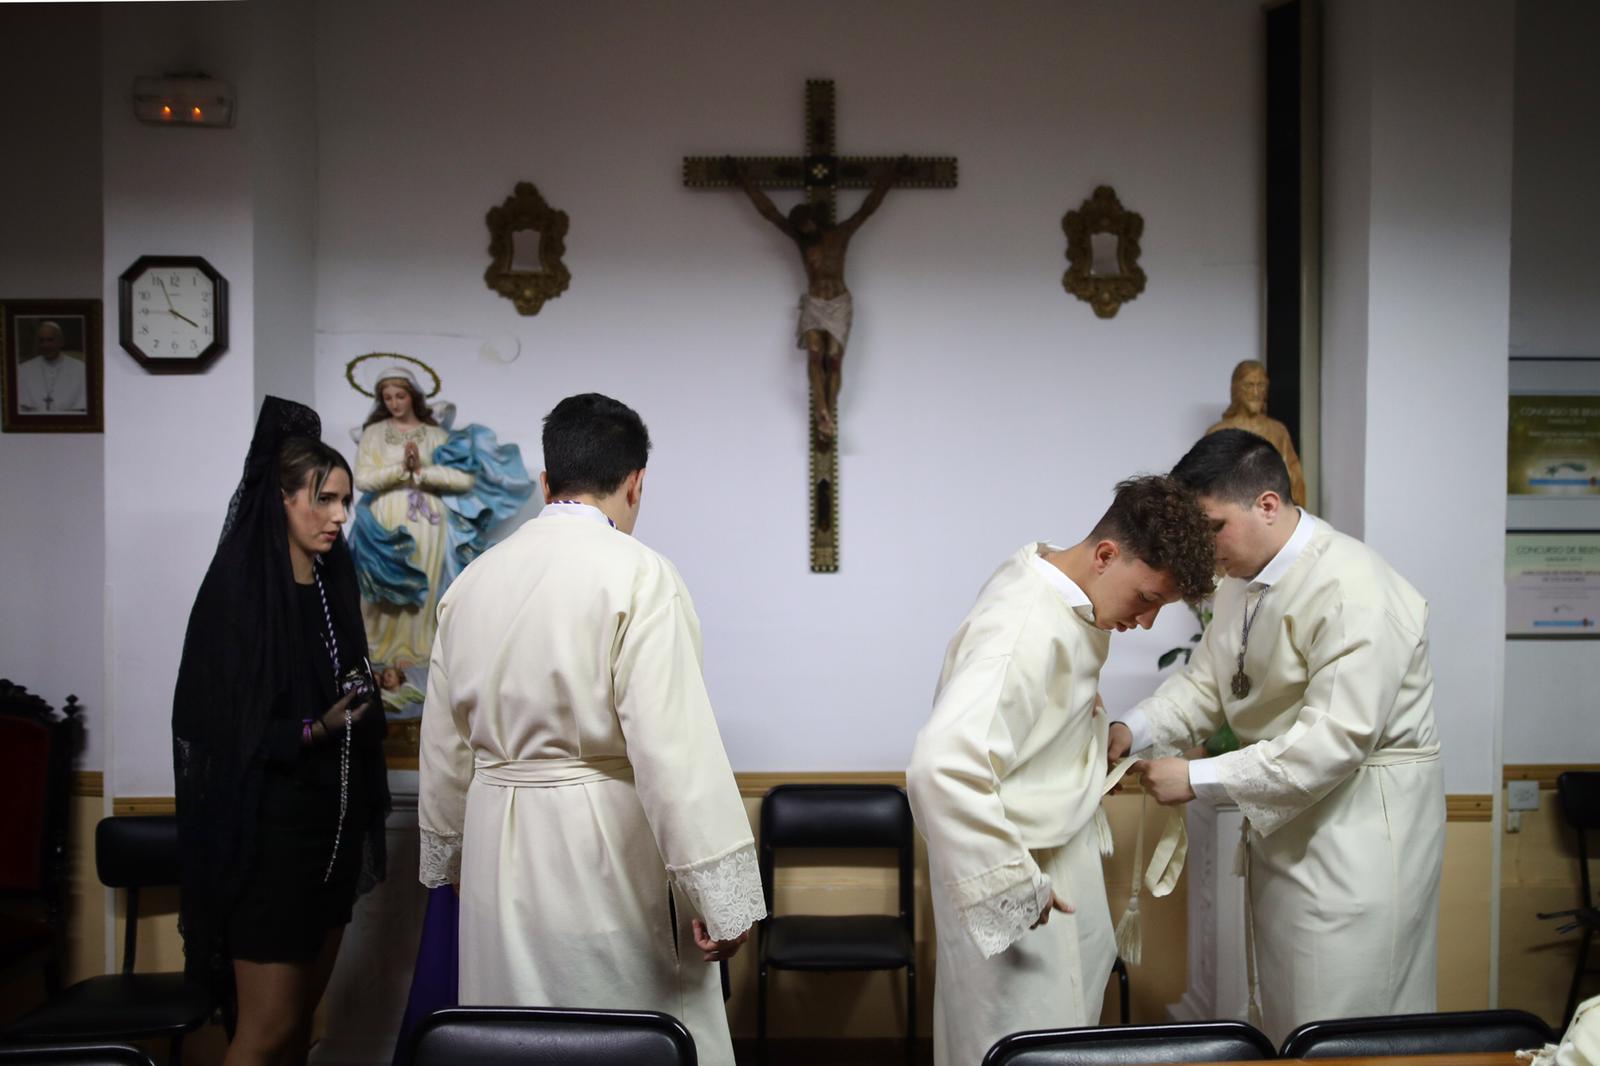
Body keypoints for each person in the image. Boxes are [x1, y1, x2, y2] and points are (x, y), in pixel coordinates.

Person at [417, 392, 764, 1066]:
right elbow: (674, 751)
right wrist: (720, 898)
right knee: (627, 1030)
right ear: (635, 484)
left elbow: (444, 747)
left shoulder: (471, 583)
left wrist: (457, 859)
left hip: (496, 846)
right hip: (604, 848)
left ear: (547, 483)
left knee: (513, 1039)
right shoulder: (640, 575)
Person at [1112, 428, 1445, 1042]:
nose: (1203, 548)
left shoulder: (1354, 587)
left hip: (1358, 838)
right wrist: (1130, 730)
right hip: (1294, 834)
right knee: (1291, 1014)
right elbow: (1207, 686)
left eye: (1212, 527)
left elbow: (1333, 743)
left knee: (1349, 1023)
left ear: (1267, 504)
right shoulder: (1243, 582)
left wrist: (1198, 778)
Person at [907, 476, 1216, 1066]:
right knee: (1019, 1044)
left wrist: (1089, 723)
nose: (1146, 622)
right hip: (1024, 867)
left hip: (1056, 852)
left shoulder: (1055, 586)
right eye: (1147, 598)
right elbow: (940, 766)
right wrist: (1010, 885)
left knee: (1063, 1039)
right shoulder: (1024, 624)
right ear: (1105, 555)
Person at [173, 397, 389, 1066]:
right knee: (264, 1033)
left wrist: (364, 689)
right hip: (267, 847)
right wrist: (309, 730)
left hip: (331, 837)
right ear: (281, 497)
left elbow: (334, 677)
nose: (338, 517)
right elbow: (212, 725)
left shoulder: (330, 586)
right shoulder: (236, 595)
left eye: (345, 501)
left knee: (298, 1027)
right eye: (323, 499)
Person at [726, 157, 907, 441]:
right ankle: (821, 411)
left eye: (807, 224)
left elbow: (868, 208)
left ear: (815, 220)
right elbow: (769, 213)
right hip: (814, 303)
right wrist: (743, 181)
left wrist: (891, 177)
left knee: (833, 362)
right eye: (800, 227)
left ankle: (830, 411)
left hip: (838, 303)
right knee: (814, 357)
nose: (804, 230)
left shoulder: (841, 234)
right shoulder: (801, 239)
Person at [1206, 360, 1306, 506]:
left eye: (1261, 385)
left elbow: (1295, 475)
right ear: (1237, 389)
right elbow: (1207, 480)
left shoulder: (1277, 430)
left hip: (1270, 510)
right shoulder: (1218, 432)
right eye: (1249, 385)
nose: (1255, 392)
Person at [14, 319, 87, 414]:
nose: (45, 345)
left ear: (61, 341)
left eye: (50, 340)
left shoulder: (81, 369)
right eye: (42, 340)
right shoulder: (23, 369)